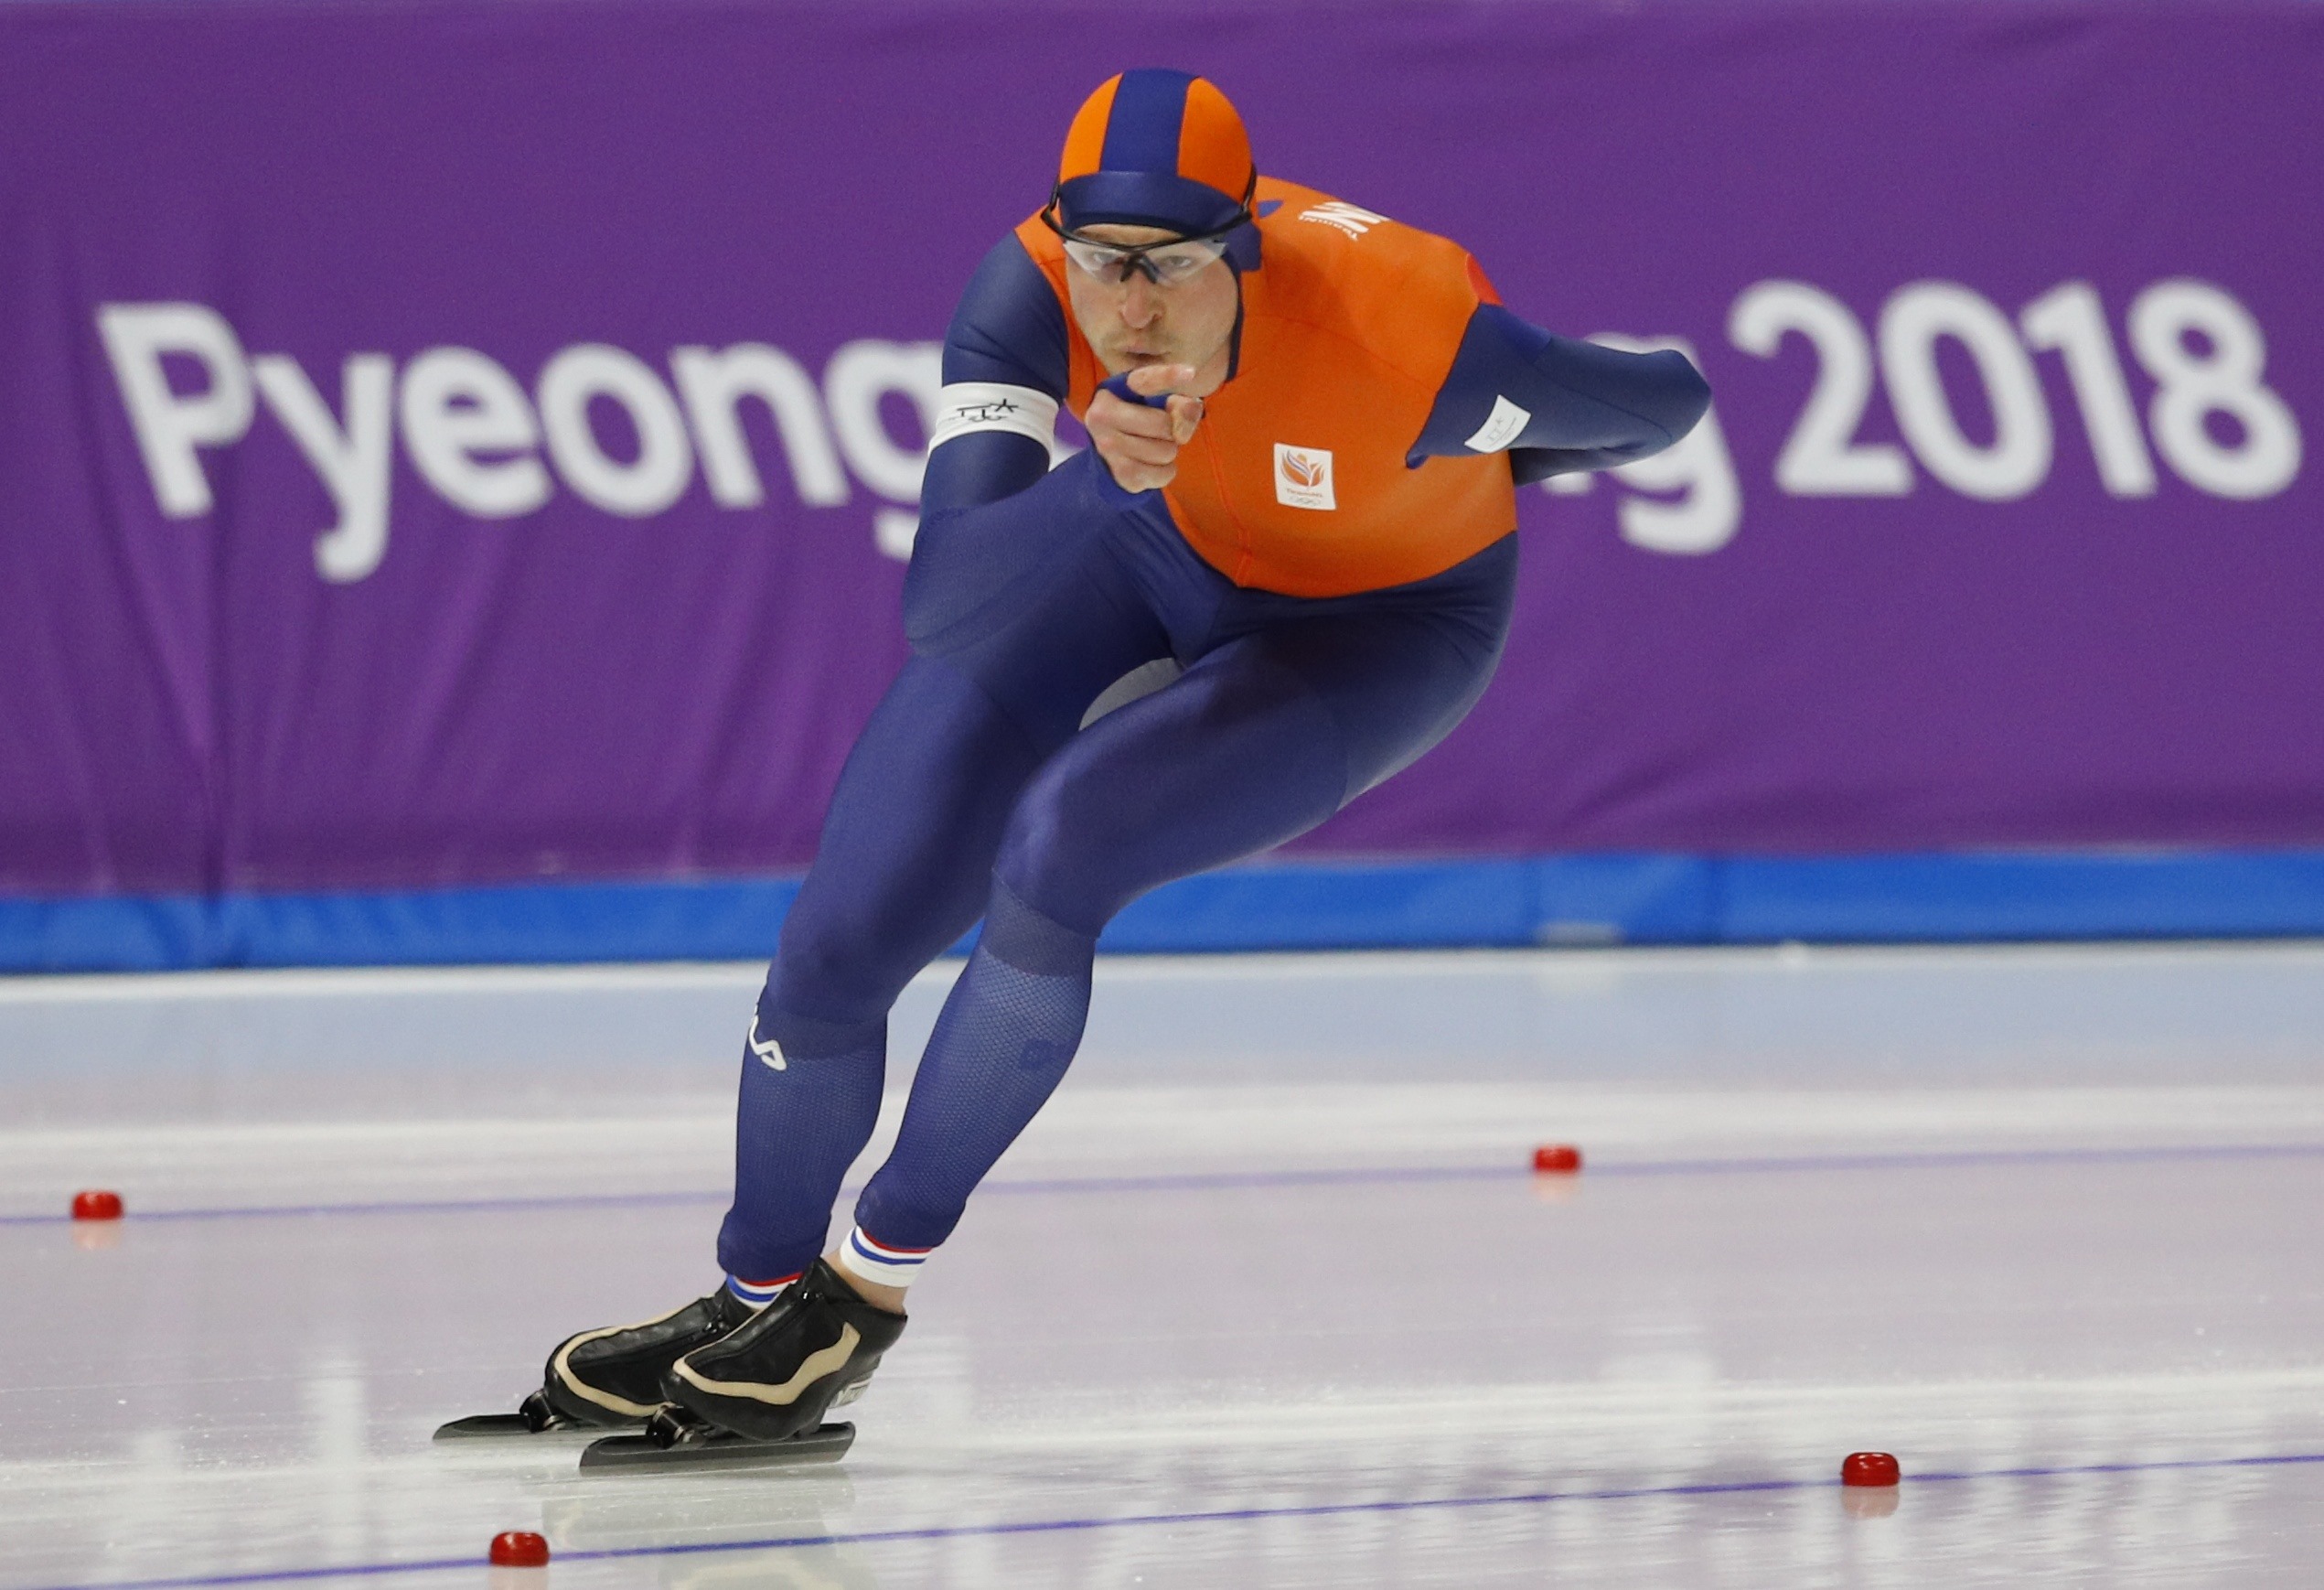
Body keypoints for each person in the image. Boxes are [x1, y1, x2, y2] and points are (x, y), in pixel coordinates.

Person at [530, 68, 1708, 1447]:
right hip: (1148, 547)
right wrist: (1104, 473)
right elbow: (945, 599)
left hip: (1374, 629)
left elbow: (1662, 404)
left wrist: (1466, 460)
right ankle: (749, 1291)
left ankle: (861, 1296)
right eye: (1104, 263)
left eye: (1171, 268)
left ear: (1246, 250)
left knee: (1060, 846)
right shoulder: (1027, 293)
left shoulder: (1408, 332)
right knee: (842, 932)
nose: (1132, 307)